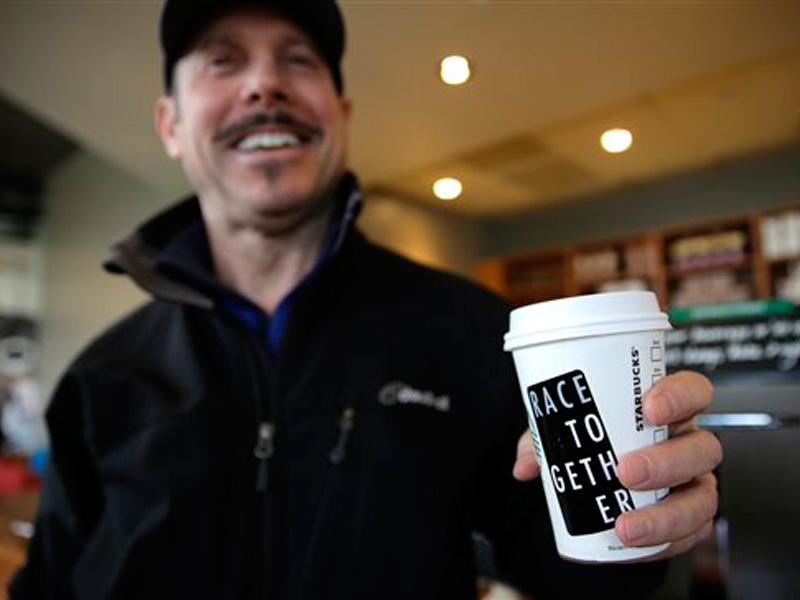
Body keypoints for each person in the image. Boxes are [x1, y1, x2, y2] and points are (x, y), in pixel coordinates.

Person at [10, 1, 722, 598]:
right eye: (223, 61)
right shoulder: (99, 378)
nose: (265, 84)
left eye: (298, 60)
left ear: (341, 113)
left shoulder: (472, 330)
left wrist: (645, 516)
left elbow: (581, 574)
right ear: (170, 124)